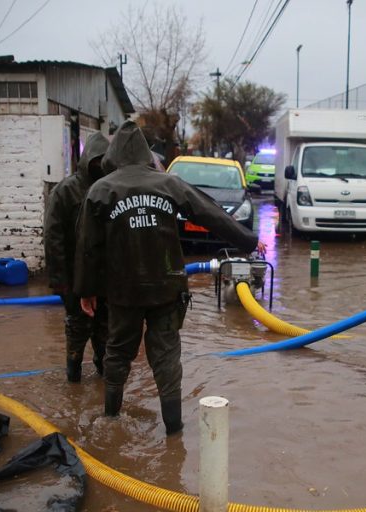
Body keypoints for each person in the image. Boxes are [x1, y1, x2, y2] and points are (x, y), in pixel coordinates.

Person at [74, 120, 266, 434]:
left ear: (114, 155)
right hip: (166, 288)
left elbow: (87, 247)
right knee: (166, 357)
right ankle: (173, 432)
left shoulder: (100, 190)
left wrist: (86, 289)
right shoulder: (169, 184)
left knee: (118, 352)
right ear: (145, 154)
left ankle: (110, 420)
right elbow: (209, 212)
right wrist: (248, 239)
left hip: (122, 292)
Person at [44, 132, 110, 383]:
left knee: (105, 334)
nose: (100, 166)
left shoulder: (110, 188)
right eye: (97, 160)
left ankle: (105, 382)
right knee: (77, 330)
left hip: (105, 281)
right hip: (73, 280)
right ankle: (74, 378)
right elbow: (53, 239)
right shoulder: (65, 191)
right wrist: (61, 282)